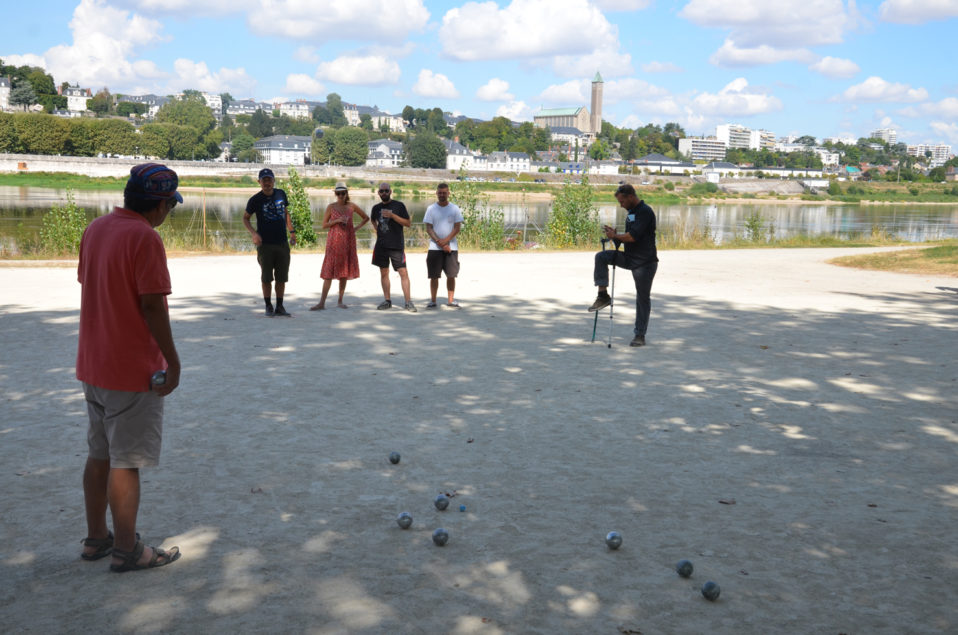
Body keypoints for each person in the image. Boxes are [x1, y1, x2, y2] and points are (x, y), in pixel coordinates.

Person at [76, 162, 183, 572]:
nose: (168, 214)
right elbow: (152, 304)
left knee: (98, 453)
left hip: (94, 362)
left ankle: (96, 538)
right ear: (158, 204)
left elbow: (92, 284)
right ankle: (126, 549)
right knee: (126, 460)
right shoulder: (145, 238)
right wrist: (172, 362)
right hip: (131, 368)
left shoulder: (96, 228)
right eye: (169, 206)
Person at [588, 183, 659, 347]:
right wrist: (614, 237)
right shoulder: (631, 213)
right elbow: (625, 240)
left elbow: (633, 237)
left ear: (630, 197)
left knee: (642, 298)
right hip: (629, 257)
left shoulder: (644, 212)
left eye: (622, 202)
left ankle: (639, 335)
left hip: (645, 262)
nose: (621, 205)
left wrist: (617, 235)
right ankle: (603, 296)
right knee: (601, 257)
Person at [244, 168, 296, 317]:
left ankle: (280, 306)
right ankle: (268, 306)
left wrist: (292, 232)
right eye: (264, 180)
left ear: (274, 180)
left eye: (269, 179)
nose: (267, 183)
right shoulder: (255, 199)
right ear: (259, 182)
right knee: (266, 277)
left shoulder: (281, 194)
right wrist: (254, 233)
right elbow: (245, 218)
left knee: (282, 277)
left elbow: (286, 213)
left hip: (282, 243)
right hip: (265, 244)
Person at [311, 182, 368, 310]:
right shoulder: (331, 207)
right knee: (328, 272)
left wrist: (355, 228)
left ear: (346, 193)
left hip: (348, 241)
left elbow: (366, 217)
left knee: (344, 271)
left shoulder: (351, 206)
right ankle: (322, 302)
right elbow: (324, 225)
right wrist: (336, 220)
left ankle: (340, 301)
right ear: (335, 194)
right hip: (334, 241)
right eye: (338, 193)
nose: (341, 195)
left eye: (343, 193)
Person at [370, 182, 416, 312]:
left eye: (386, 191)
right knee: (384, 273)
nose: (384, 193)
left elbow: (408, 223)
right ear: (378, 193)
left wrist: (392, 216)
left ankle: (408, 302)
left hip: (396, 245)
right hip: (381, 246)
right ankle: (387, 300)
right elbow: (372, 220)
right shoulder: (375, 208)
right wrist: (377, 230)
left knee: (403, 272)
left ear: (390, 192)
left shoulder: (399, 205)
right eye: (381, 191)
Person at [423, 182, 464, 308]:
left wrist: (446, 241)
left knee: (451, 275)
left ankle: (450, 301)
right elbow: (429, 228)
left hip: (451, 248)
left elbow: (457, 228)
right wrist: (440, 243)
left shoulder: (454, 209)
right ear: (436, 193)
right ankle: (433, 301)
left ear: (448, 193)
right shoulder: (431, 209)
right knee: (434, 276)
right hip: (434, 248)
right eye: (440, 193)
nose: (442, 195)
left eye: (444, 193)